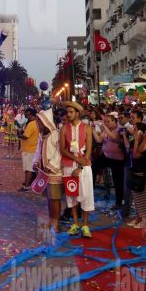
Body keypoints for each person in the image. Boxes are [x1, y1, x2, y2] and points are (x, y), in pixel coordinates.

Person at [60, 101, 94, 237]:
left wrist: (80, 165)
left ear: (77, 114)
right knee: (71, 195)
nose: (68, 115)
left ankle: (85, 225)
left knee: (86, 196)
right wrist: (76, 159)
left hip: (84, 166)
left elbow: (89, 150)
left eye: (71, 112)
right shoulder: (64, 128)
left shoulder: (87, 128)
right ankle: (75, 224)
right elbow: (63, 149)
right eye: (67, 112)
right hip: (68, 165)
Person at [35, 108, 63, 233]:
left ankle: (56, 222)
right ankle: (51, 219)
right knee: (49, 198)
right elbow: (38, 150)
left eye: (40, 122)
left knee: (55, 199)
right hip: (44, 173)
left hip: (54, 172)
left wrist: (51, 166)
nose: (39, 124)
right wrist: (36, 162)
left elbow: (60, 152)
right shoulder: (42, 136)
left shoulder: (56, 134)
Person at [92, 114, 125, 209]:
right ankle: (91, 190)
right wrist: (93, 129)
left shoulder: (120, 129)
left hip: (117, 159)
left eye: (108, 121)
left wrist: (104, 127)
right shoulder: (106, 130)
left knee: (118, 180)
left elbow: (115, 138)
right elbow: (99, 140)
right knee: (93, 165)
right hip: (107, 156)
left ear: (114, 121)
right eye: (105, 122)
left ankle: (119, 202)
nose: (106, 123)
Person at [17, 107, 39, 191]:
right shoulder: (37, 122)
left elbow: (26, 136)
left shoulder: (31, 124)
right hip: (33, 148)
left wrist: (19, 135)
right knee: (30, 168)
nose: (26, 116)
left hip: (29, 149)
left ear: (30, 114)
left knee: (28, 169)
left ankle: (27, 185)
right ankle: (29, 182)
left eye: (27, 115)